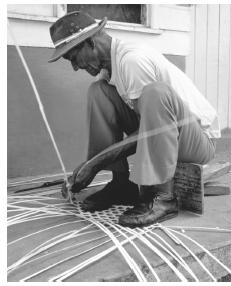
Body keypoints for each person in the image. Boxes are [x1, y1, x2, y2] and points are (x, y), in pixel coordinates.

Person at [48, 10, 220, 227]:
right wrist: (92, 164)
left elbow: (151, 131)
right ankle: (121, 184)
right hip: (169, 134)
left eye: (73, 58)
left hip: (197, 141)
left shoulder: (131, 60)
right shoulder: (109, 69)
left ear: (90, 42)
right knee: (98, 92)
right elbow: (149, 127)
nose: (75, 67)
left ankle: (164, 198)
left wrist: (94, 164)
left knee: (156, 93)